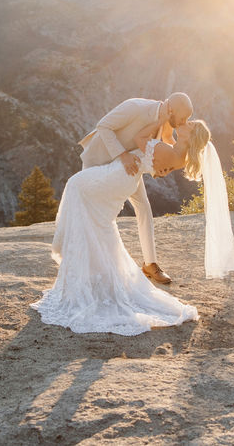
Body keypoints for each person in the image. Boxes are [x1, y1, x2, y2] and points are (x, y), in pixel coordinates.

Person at [31, 119, 212, 335]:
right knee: (100, 220)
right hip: (127, 177)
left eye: (189, 125)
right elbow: (162, 150)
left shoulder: (166, 149)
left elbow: (139, 139)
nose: (185, 122)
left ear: (190, 137)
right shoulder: (180, 155)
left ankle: (88, 272)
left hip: (121, 173)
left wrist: (160, 118)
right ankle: (98, 274)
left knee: (76, 185)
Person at [76, 93, 193, 284]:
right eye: (183, 117)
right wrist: (123, 155)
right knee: (93, 212)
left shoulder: (165, 121)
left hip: (127, 168)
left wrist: (171, 164)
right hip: (99, 161)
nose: (184, 122)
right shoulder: (136, 107)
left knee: (144, 207)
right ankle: (89, 265)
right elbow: (103, 126)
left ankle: (150, 265)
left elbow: (167, 146)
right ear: (171, 110)